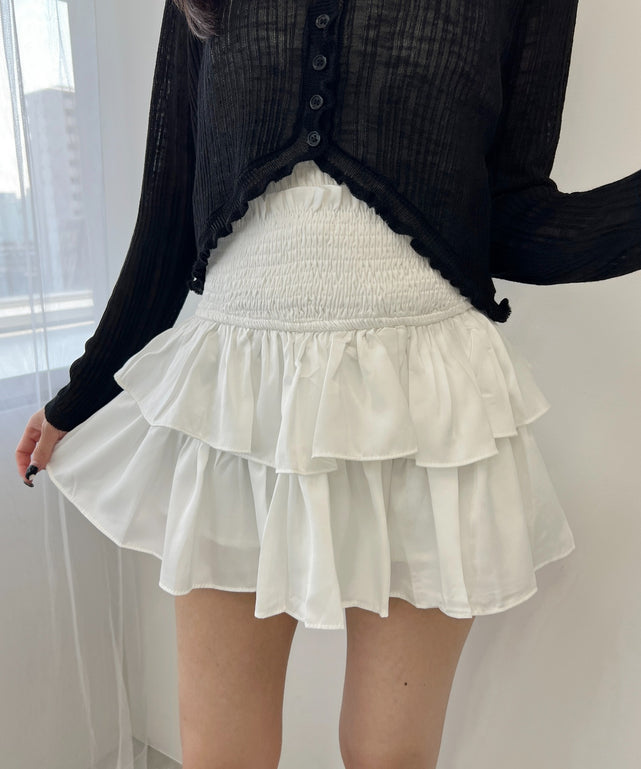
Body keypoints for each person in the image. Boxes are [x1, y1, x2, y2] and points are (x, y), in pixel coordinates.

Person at [14, 1, 641, 767]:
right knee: (219, 754)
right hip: (236, 400)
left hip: (429, 407)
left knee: (389, 756)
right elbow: (168, 216)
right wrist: (80, 394)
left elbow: (514, 217)